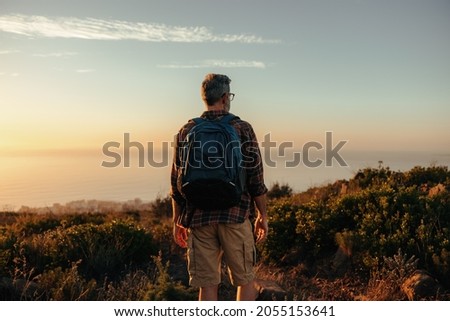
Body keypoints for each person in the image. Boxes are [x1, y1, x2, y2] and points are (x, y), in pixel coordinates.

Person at [170, 73, 269, 301]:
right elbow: (256, 177)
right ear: (225, 97)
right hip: (235, 215)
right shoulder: (242, 128)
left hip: (198, 218)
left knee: (207, 285)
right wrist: (262, 214)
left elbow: (176, 183)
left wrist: (178, 221)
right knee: (245, 280)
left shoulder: (186, 130)